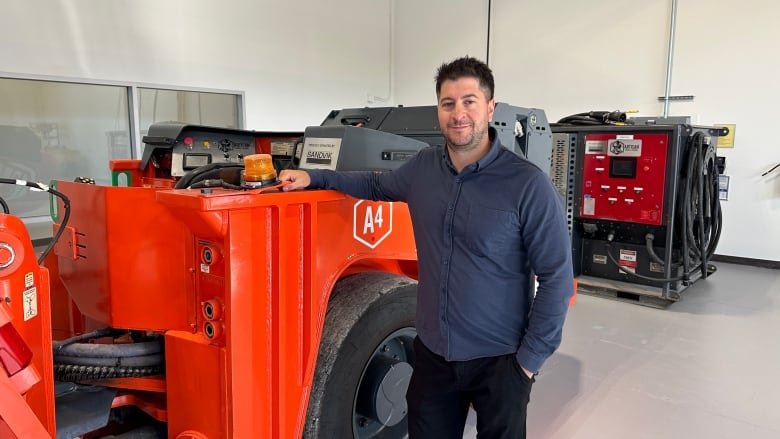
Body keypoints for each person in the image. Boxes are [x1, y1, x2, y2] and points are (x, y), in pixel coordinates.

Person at [280, 56, 573, 439]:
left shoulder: (527, 186)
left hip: (500, 363)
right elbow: (373, 185)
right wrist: (314, 176)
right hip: (434, 358)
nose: (459, 114)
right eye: (448, 103)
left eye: (469, 101)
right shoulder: (422, 169)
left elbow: (556, 278)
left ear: (490, 107)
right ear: (439, 110)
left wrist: (526, 366)